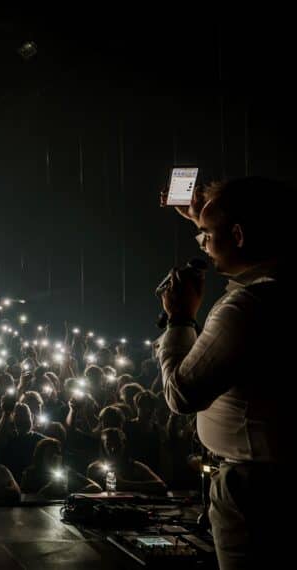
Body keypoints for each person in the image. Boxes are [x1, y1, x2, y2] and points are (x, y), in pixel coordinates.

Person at [158, 177, 289, 570]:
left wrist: (179, 319)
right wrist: (206, 219)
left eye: (206, 237)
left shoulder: (247, 307)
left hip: (258, 494)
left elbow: (182, 395)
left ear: (239, 234)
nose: (203, 247)